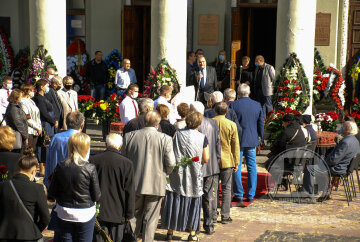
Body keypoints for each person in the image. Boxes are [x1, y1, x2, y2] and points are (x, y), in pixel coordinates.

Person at [122, 111, 175, 242]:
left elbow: (123, 159)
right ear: (157, 123)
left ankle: (131, 239)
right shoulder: (165, 139)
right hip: (156, 183)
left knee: (134, 215)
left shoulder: (129, 136)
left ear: (144, 121)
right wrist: (164, 173)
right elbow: (171, 163)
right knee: (151, 219)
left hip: (135, 182)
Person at [161, 111, 209, 241]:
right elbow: (206, 157)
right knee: (193, 199)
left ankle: (170, 232)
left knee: (175, 197)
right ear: (199, 123)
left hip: (178, 171)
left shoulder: (177, 134)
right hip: (194, 172)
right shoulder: (202, 137)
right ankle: (192, 233)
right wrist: (196, 161)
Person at [48, 132, 101, 241]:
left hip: (64, 212)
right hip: (85, 213)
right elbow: (96, 196)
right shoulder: (90, 168)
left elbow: (52, 192)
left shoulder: (61, 166)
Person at [90, 133, 135, 242]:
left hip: (99, 210)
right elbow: (129, 190)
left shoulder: (94, 160)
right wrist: (129, 213)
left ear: (106, 144)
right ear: (120, 146)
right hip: (118, 211)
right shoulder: (127, 163)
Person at [0, 147, 50, 241]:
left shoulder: (3, 186)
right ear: (33, 171)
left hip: (4, 234)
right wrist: (35, 229)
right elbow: (46, 218)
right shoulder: (37, 188)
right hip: (28, 235)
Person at [302, 121, 360, 201]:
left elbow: (334, 159)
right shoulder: (355, 140)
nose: (341, 129)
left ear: (347, 129)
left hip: (338, 168)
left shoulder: (346, 142)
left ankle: (308, 196)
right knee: (318, 167)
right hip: (345, 167)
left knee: (309, 169)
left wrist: (323, 163)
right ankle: (325, 193)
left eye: (343, 127)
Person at [190, 101, 220, 235]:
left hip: (198, 164)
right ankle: (208, 225)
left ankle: (195, 225)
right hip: (210, 165)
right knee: (208, 196)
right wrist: (217, 161)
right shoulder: (213, 123)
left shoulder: (192, 125)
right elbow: (218, 145)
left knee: (195, 196)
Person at [230, 84, 264, 203]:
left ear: (238, 93)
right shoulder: (257, 105)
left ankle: (238, 194)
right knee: (252, 167)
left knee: (236, 167)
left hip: (237, 140)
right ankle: (251, 194)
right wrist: (261, 138)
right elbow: (260, 124)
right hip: (251, 139)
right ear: (249, 93)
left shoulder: (233, 104)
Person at [213, 102, 240, 224]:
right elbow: (235, 145)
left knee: (212, 189)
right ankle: (225, 215)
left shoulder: (209, 122)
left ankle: (212, 214)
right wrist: (236, 161)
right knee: (226, 188)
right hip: (227, 159)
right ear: (227, 111)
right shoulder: (231, 124)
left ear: (215, 111)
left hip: (212, 159)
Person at [44, 111, 85, 188]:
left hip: (56, 181)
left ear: (66, 123)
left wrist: (47, 183)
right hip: (75, 184)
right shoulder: (84, 140)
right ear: (82, 125)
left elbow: (49, 161)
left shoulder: (56, 138)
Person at [34, 79, 57, 176]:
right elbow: (44, 113)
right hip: (45, 124)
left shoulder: (44, 97)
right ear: (42, 87)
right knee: (44, 146)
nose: (48, 88)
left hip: (49, 124)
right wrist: (53, 121)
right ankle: (42, 169)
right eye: (46, 86)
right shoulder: (39, 98)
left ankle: (46, 167)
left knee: (47, 145)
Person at [20, 83, 42, 151]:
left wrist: (39, 127)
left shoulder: (31, 101)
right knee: (28, 150)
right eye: (32, 90)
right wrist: (37, 127)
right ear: (27, 91)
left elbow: (37, 115)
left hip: (35, 130)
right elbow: (27, 117)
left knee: (33, 150)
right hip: (29, 130)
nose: (33, 92)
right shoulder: (22, 102)